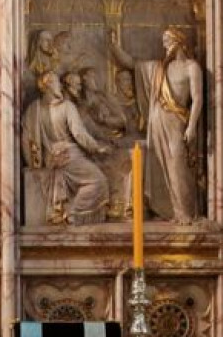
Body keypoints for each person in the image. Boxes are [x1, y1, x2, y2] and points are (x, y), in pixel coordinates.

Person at [108, 28, 204, 224]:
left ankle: (186, 212)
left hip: (177, 122)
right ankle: (171, 212)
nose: (165, 44)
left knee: (178, 165)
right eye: (164, 41)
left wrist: (192, 125)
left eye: (168, 39)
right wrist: (114, 45)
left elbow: (197, 98)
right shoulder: (159, 68)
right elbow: (132, 63)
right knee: (159, 166)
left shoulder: (191, 67)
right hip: (157, 123)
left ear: (180, 41)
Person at [23, 72, 111, 225]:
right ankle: (72, 212)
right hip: (69, 156)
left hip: (50, 159)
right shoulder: (67, 107)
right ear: (48, 85)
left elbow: (26, 139)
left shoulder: (32, 110)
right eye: (57, 82)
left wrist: (36, 162)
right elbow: (79, 134)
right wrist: (97, 148)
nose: (60, 86)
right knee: (99, 181)